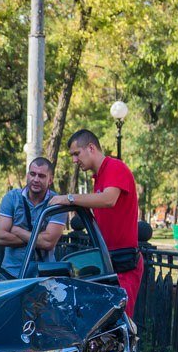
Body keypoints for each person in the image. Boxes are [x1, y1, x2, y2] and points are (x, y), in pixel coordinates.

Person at [50, 129, 142, 317]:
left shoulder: (115, 167)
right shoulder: (99, 178)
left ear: (91, 148)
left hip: (125, 263)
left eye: (77, 154)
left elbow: (109, 199)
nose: (75, 160)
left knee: (121, 321)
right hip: (108, 260)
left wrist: (69, 198)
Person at [0, 157, 68, 277]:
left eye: (41, 176)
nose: (36, 179)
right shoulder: (11, 198)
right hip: (12, 273)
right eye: (32, 174)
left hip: (45, 274)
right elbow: (0, 238)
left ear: (50, 180)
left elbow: (48, 243)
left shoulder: (57, 203)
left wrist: (16, 230)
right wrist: (39, 238)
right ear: (27, 175)